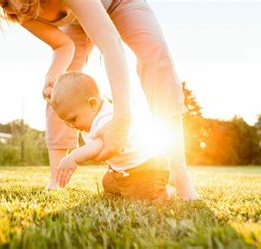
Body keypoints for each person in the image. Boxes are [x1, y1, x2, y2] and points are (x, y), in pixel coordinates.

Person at [0, 0, 199, 200]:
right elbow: (63, 46)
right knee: (62, 91)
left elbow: (110, 43)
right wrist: (52, 76)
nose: (13, 8)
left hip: (120, 3)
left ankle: (181, 177)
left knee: (155, 54)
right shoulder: (19, 12)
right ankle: (57, 179)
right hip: (76, 24)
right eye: (3, 4)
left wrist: (121, 118)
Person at [51, 72, 171, 200]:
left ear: (92, 104)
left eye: (73, 119)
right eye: (65, 122)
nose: (70, 125)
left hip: (147, 168)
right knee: (108, 184)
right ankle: (128, 183)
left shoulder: (106, 119)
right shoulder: (90, 119)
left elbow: (99, 145)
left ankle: (166, 191)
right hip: (122, 170)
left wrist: (73, 157)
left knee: (143, 197)